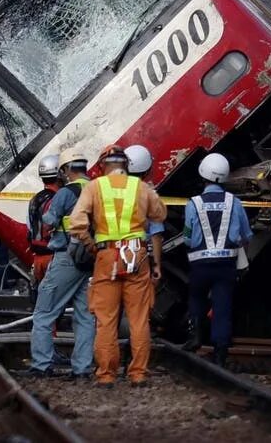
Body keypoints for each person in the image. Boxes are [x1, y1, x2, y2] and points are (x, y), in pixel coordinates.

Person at [69, 144, 167, 386]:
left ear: (103, 165)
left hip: (107, 256)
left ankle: (106, 375)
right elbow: (160, 215)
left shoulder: (95, 187)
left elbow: (76, 223)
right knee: (139, 319)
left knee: (106, 319)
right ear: (126, 165)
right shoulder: (141, 187)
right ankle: (138, 374)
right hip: (137, 256)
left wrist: (91, 245)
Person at [28, 146, 95, 379]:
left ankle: (41, 365)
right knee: (85, 316)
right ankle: (82, 369)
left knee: (44, 313)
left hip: (67, 257)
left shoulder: (66, 193)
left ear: (65, 170)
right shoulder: (97, 189)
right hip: (91, 258)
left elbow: (48, 220)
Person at [183, 152, 252, 367]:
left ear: (202, 174)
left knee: (196, 297)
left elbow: (187, 238)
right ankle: (220, 351)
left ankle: (194, 336)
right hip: (226, 266)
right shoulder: (236, 203)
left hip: (200, 265)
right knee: (222, 305)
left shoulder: (193, 204)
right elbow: (246, 236)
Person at [27, 154, 63, 290]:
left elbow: (30, 228)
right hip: (53, 258)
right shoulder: (59, 199)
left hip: (38, 260)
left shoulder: (34, 200)